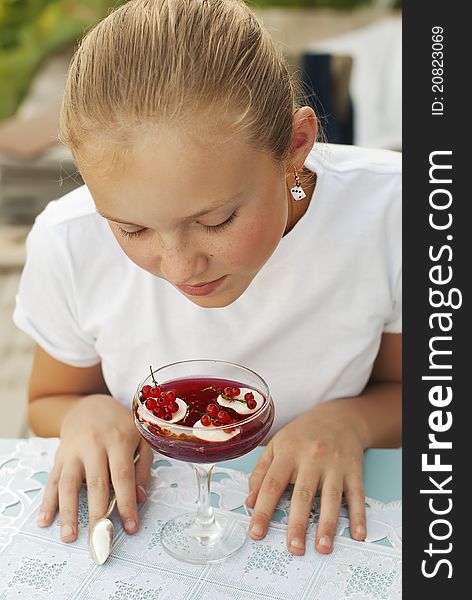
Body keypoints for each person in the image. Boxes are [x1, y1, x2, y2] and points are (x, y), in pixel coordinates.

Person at [13, 0, 401, 557]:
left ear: (295, 146)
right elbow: (51, 397)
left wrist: (353, 424)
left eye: (216, 220)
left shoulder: (398, 212)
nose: (179, 267)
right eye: (131, 229)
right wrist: (85, 412)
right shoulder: (68, 239)